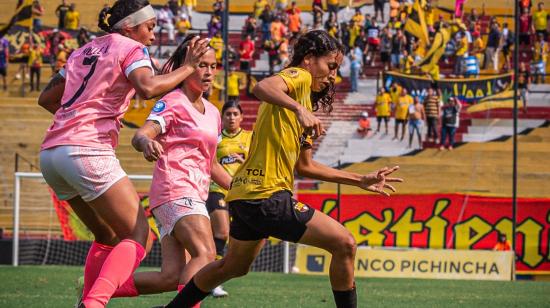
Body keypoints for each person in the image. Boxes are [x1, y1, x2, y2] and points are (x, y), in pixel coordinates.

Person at [163, 30, 403, 308]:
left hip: (244, 198)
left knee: (232, 267)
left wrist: (359, 179)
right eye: (331, 65)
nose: (333, 75)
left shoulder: (305, 103)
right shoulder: (298, 76)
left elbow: (305, 166)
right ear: (310, 59)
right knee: (345, 243)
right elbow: (261, 87)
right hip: (266, 195)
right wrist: (298, 109)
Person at [37, 1, 210, 306]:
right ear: (130, 27)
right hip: (86, 149)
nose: (153, 36)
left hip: (51, 154)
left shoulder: (83, 50)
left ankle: (86, 301)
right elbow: (147, 87)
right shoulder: (130, 48)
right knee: (137, 234)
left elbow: (47, 97)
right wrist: (188, 67)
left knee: (106, 236)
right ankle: (94, 303)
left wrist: (77, 118)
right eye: (150, 27)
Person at [117, 37, 231, 302]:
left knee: (171, 276)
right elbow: (141, 135)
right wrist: (146, 143)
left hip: (192, 194)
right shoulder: (173, 101)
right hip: (175, 188)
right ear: (186, 66)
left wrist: (241, 189)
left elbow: (211, 164)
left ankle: (97, 288)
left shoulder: (214, 113)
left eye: (213, 66)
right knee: (206, 253)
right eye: (202, 65)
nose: (209, 72)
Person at [205, 100, 253, 298]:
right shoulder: (216, 139)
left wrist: (245, 161)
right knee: (222, 232)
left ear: (241, 117)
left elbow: (258, 162)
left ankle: (209, 277)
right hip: (217, 190)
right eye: (228, 114)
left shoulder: (250, 138)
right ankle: (213, 283)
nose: (232, 117)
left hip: (242, 192)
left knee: (232, 239)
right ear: (222, 118)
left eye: (235, 114)